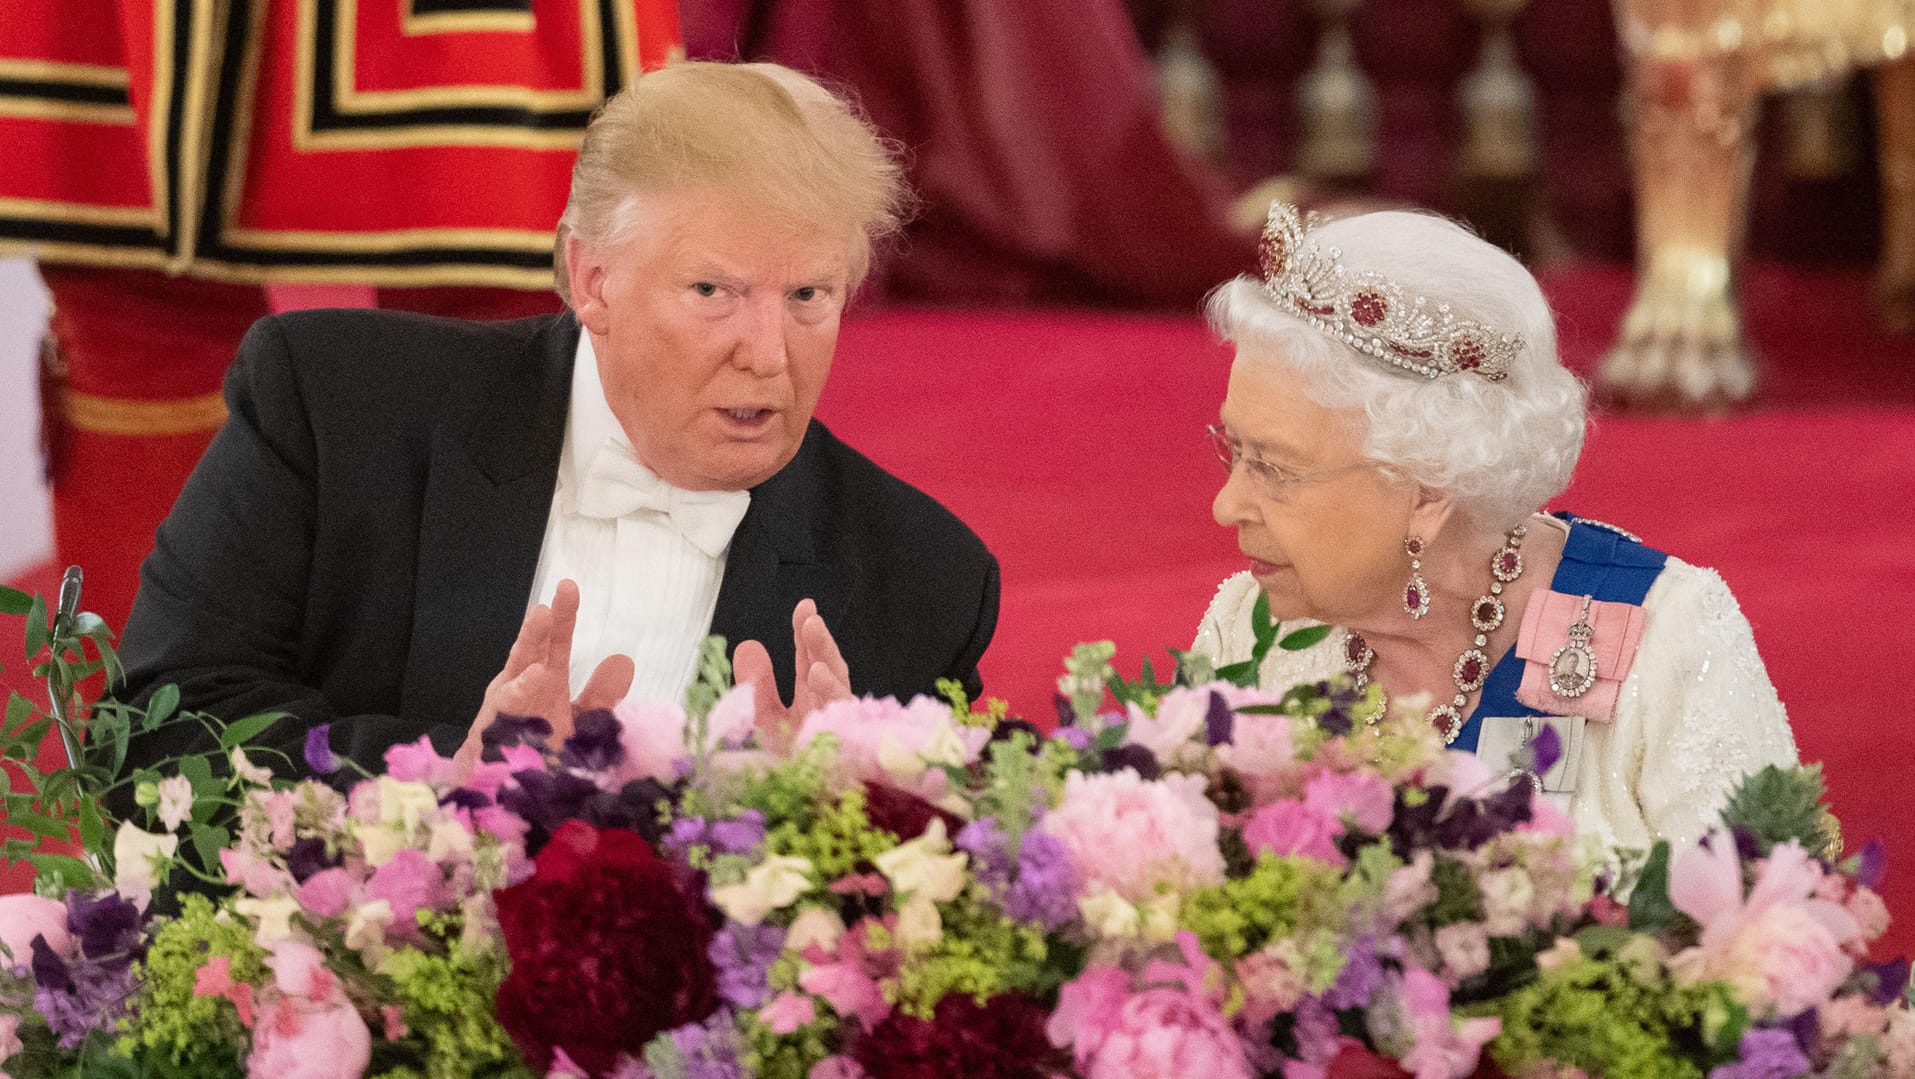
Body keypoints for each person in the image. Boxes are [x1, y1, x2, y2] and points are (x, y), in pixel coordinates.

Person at [113, 62, 1000, 775]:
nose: (768, 353)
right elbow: (157, 734)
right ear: (592, 279)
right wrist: (441, 777)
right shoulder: (335, 408)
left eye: (808, 294)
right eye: (712, 291)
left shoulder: (921, 582)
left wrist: (840, 814)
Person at [1191, 202, 1798, 854]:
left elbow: (1765, 933)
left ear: (1427, 487)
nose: (1226, 506)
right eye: (1234, 451)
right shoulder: (1250, 634)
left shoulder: (1663, 640)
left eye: (1274, 468)